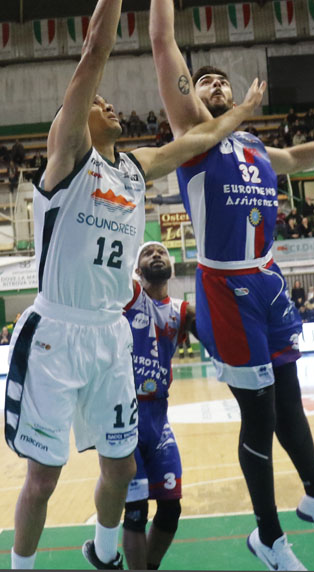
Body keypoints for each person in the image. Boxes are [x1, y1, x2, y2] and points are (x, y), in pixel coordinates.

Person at [4, 0, 265, 572]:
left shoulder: (133, 168)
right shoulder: (67, 158)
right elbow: (95, 50)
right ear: (73, 119)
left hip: (108, 333)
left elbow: (199, 138)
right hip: (56, 333)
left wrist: (240, 112)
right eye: (99, 105)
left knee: (120, 466)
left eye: (110, 105)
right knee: (43, 478)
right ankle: (22, 566)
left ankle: (103, 553)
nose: (110, 105)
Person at [148, 0, 314, 571]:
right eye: (205, 81)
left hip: (269, 281)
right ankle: (268, 537)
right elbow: (164, 45)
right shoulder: (195, 135)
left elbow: (298, 157)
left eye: (222, 81)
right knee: (257, 417)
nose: (214, 84)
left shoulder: (253, 147)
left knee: (288, 400)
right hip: (225, 286)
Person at [122, 241, 194, 570]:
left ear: (172, 267)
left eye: (162, 252)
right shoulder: (129, 297)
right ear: (137, 270)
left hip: (159, 419)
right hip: (125, 416)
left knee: (171, 509)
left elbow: (216, 327)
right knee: (136, 511)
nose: (156, 255)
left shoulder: (182, 311)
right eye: (148, 253)